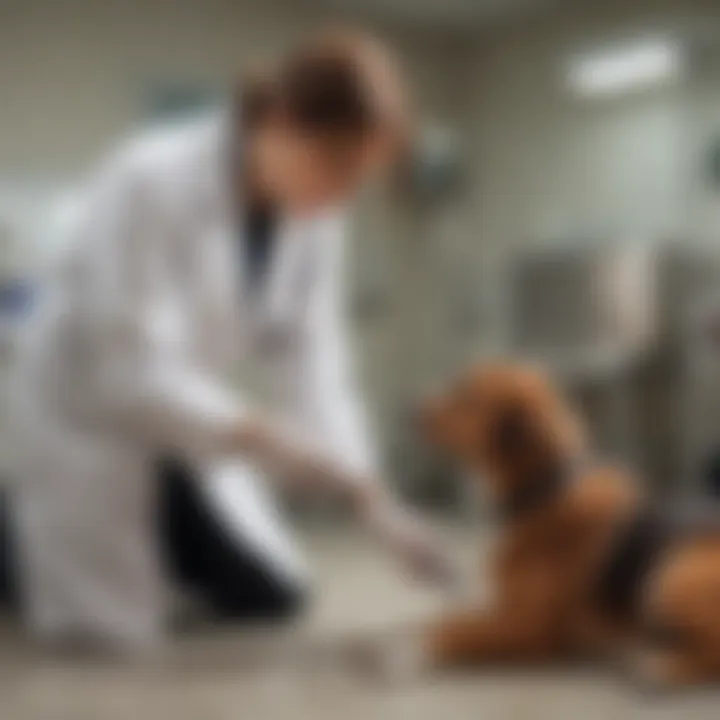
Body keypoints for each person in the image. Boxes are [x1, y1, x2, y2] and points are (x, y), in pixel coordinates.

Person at [0, 29, 448, 651]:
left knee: (272, 596)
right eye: (336, 167)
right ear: (282, 120)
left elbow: (316, 361)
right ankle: (18, 536)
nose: (342, 196)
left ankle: (153, 536)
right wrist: (263, 435)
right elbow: (124, 367)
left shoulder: (315, 217)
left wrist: (375, 504)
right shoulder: (150, 177)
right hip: (88, 414)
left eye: (359, 181)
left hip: (188, 423)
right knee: (106, 633)